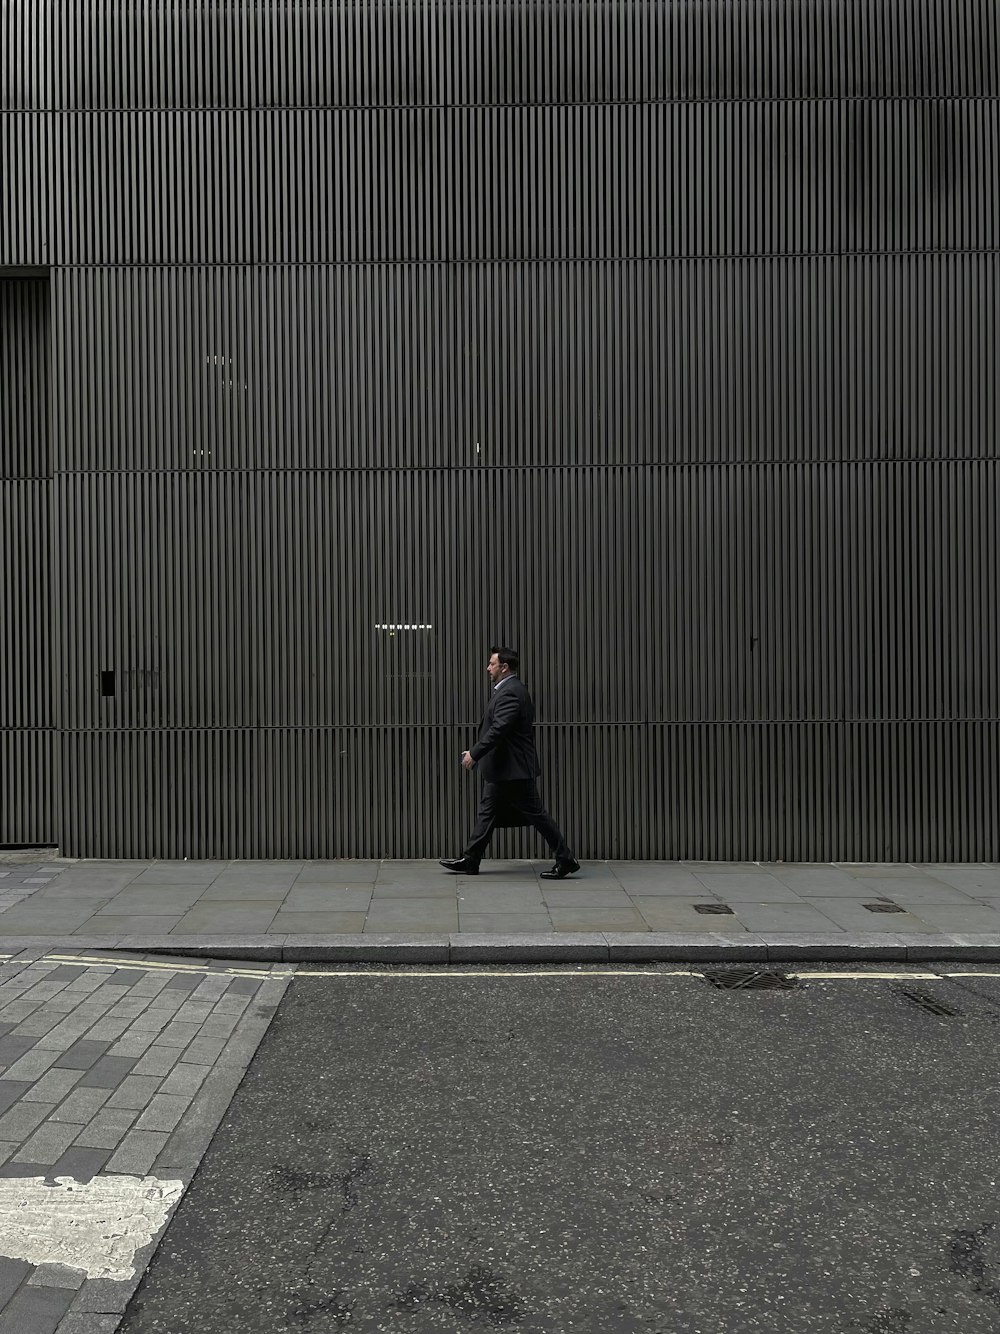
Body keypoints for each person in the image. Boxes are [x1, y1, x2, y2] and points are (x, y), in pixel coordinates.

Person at [440, 646, 580, 879]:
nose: (488, 668)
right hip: (504, 770)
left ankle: (565, 859)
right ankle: (471, 859)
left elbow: (498, 730)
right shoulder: (508, 690)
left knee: (537, 815)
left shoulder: (511, 692)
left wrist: (474, 753)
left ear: (504, 667)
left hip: (514, 770)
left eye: (491, 664)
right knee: (487, 813)